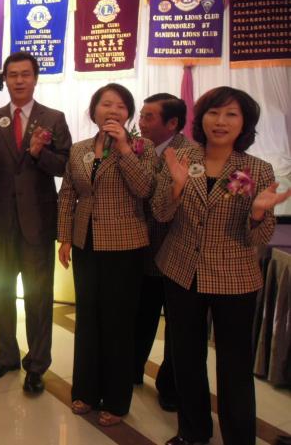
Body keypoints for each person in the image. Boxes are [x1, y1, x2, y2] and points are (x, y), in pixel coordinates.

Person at [152, 87, 289, 445]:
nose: (221, 121)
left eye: (231, 114)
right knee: (186, 358)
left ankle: (239, 438)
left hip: (234, 278)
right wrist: (176, 187)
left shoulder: (256, 169)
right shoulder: (182, 158)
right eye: (214, 112)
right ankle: (193, 432)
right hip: (181, 269)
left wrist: (257, 212)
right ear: (202, 118)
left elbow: (259, 237)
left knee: (234, 366)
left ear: (244, 123)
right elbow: (161, 213)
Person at [0, 51, 71, 394]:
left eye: (25, 74)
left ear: (35, 78)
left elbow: (65, 167)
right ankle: (6, 356)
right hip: (0, 222)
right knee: (1, 293)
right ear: (5, 79)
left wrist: (41, 154)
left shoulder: (53, 118)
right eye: (12, 75)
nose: (19, 80)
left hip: (37, 223)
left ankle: (37, 365)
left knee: (38, 297)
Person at [57, 83, 155, 426]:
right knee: (87, 317)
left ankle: (116, 398)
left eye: (120, 106)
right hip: (86, 242)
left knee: (118, 321)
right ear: (93, 110)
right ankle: (85, 391)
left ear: (128, 114)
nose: (112, 110)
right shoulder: (80, 149)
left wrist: (125, 148)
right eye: (106, 104)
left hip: (126, 244)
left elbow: (145, 189)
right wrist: (65, 237)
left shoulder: (142, 147)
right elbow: (68, 194)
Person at [133, 93, 191, 411]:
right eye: (141, 115)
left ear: (172, 123)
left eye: (149, 117)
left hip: (175, 252)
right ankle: (131, 370)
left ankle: (170, 386)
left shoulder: (189, 155)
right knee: (140, 316)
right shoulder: (137, 148)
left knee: (178, 326)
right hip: (141, 250)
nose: (141, 122)